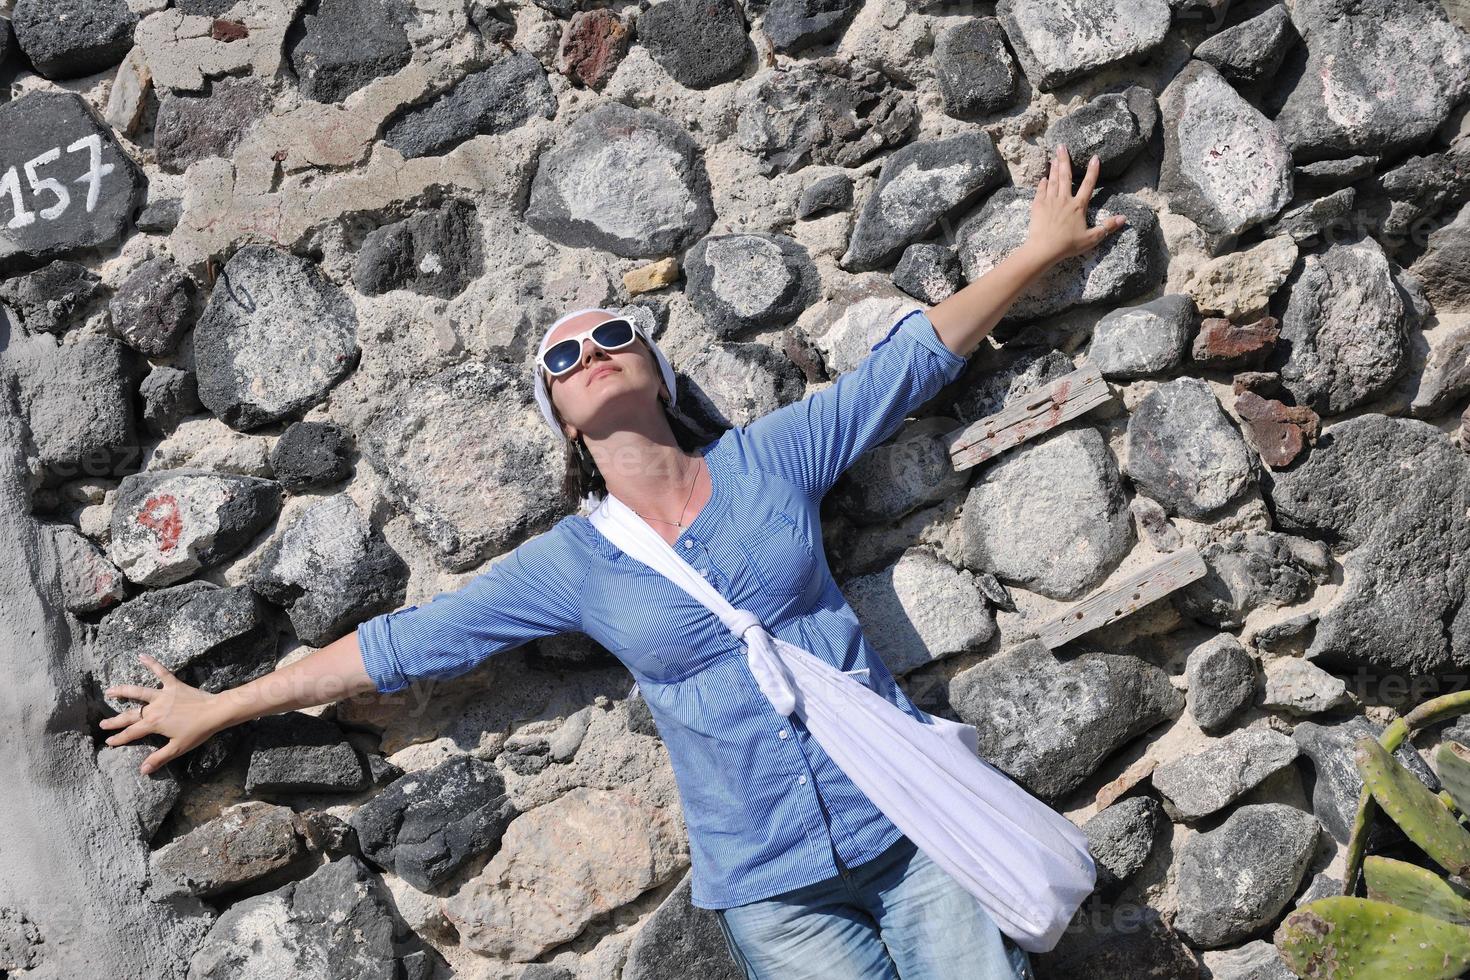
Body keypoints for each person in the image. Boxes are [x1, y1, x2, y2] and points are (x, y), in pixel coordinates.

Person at [98, 144, 1125, 978]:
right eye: (562, 355)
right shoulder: (574, 563)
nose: (588, 354)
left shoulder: (768, 461)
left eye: (611, 335)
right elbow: (402, 645)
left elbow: (906, 365)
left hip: (903, 822)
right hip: (772, 885)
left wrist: (1036, 252)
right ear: (558, 416)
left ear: (656, 368)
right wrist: (220, 706)